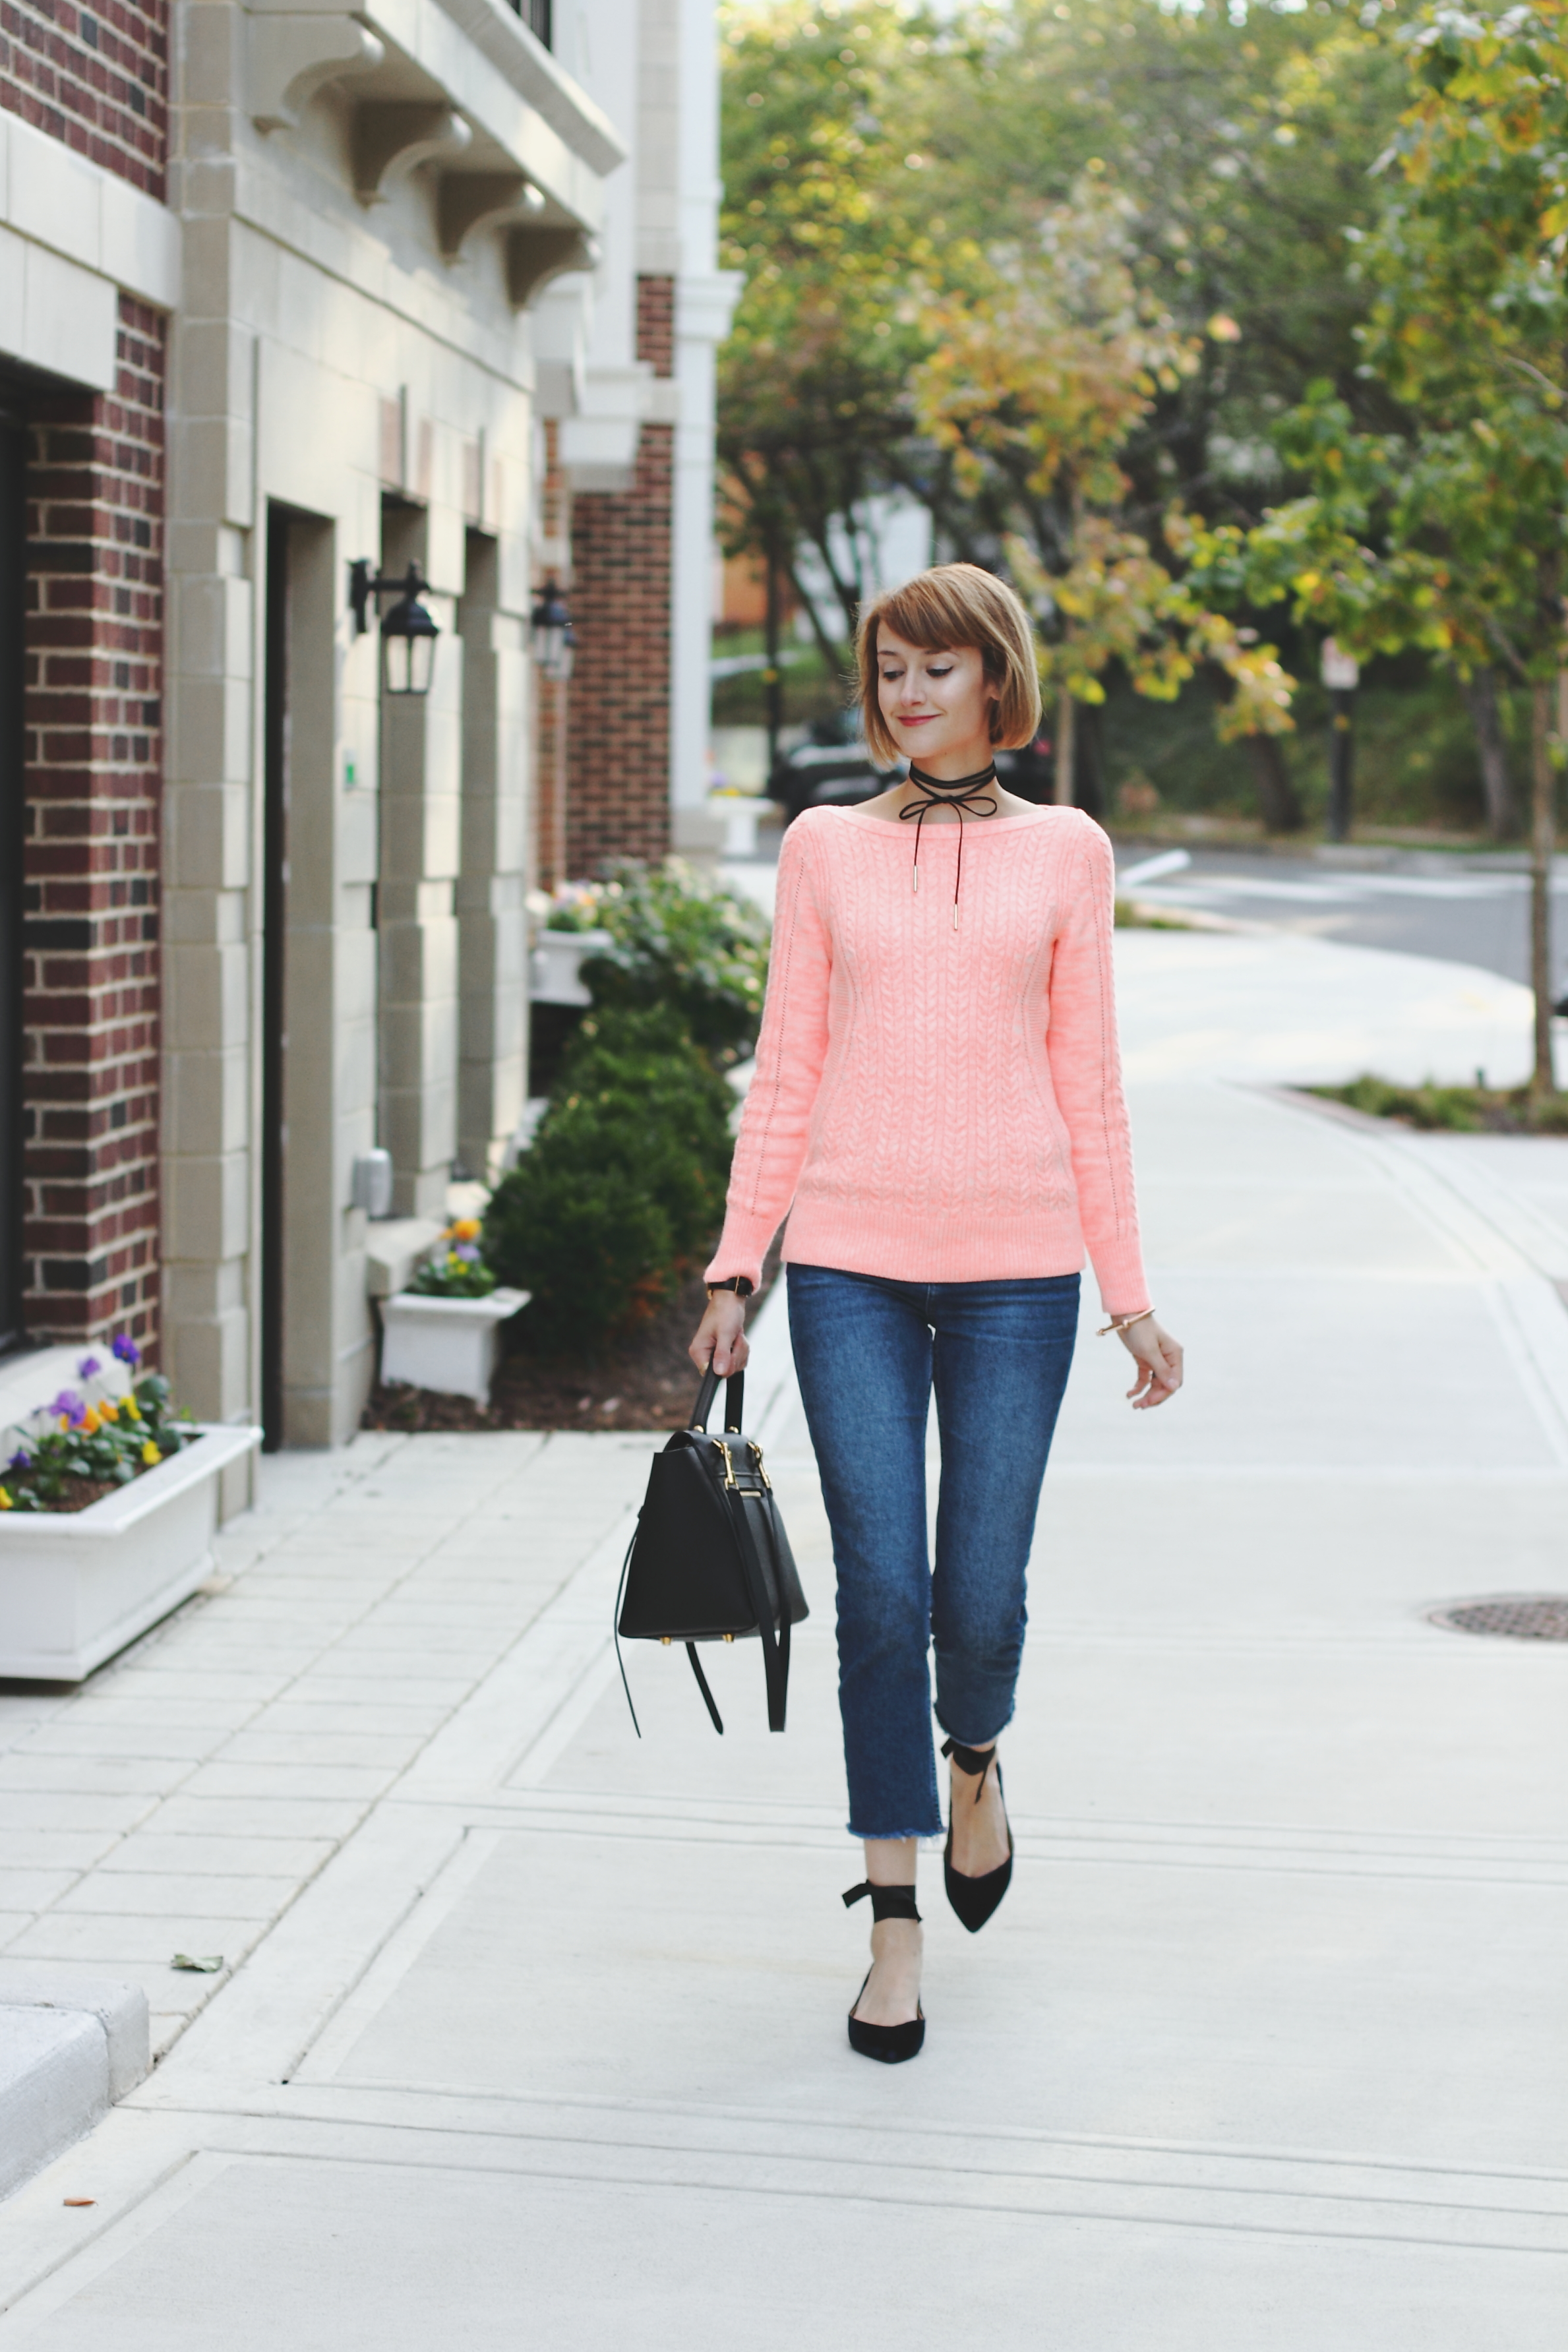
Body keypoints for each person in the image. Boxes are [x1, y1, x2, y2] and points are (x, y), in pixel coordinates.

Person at [689, 563, 1183, 2064]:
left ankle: (977, 1753)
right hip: (846, 1262)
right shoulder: (824, 846)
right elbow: (785, 1065)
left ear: (996, 680)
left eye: (938, 667)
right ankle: (891, 1921)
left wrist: (1130, 1291)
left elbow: (1088, 1082)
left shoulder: (1069, 854)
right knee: (879, 1596)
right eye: (890, 668)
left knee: (977, 1595)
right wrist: (737, 1263)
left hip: (1020, 1272)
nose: (908, 693)